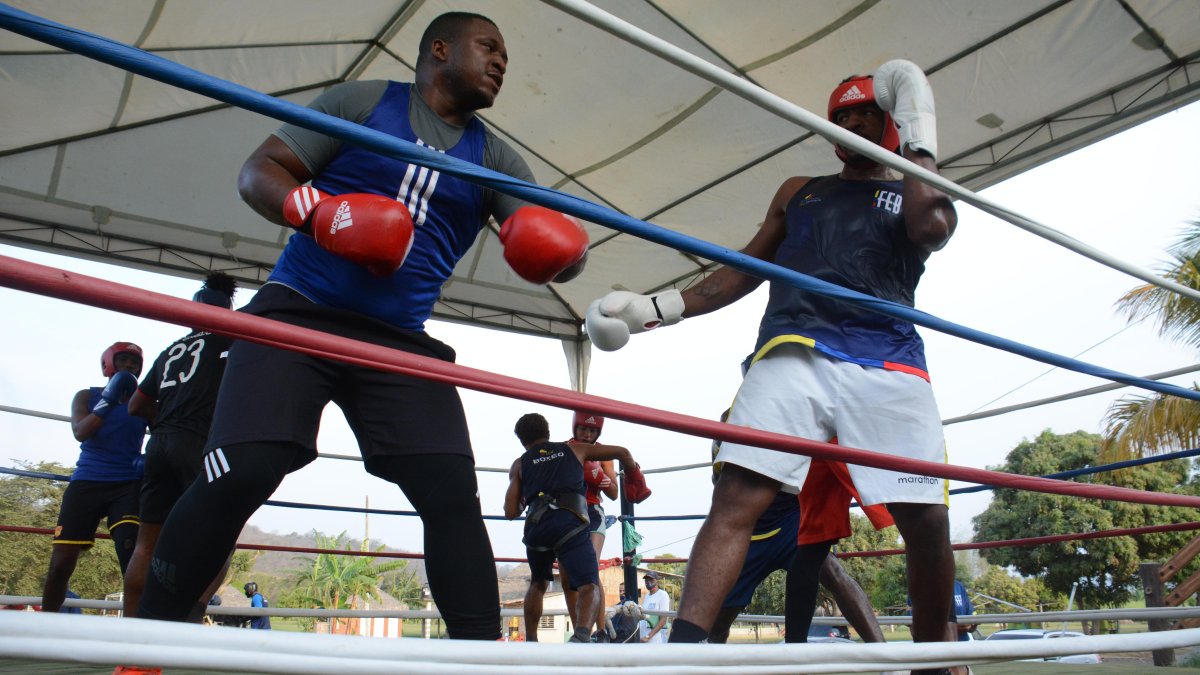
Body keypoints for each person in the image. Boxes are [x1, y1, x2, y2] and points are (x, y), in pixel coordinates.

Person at [137, 12, 590, 641]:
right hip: (298, 311)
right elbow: (258, 172)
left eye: (505, 56)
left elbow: (558, 254)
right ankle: (143, 646)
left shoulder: (496, 157)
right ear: (440, 49)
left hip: (399, 340)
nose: (501, 63)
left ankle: (480, 660)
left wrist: (562, 252)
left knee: (452, 497)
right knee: (241, 471)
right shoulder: (364, 101)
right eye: (489, 47)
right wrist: (321, 213)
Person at [585, 59, 958, 666]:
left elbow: (933, 227)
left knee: (927, 521)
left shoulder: (912, 188)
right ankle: (684, 656)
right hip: (794, 351)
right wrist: (658, 305)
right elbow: (744, 268)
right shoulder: (798, 190)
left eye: (868, 113)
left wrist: (919, 132)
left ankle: (935, 655)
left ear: (893, 125)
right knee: (736, 497)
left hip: (888, 361)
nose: (854, 124)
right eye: (843, 117)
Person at [122, 273, 238, 619]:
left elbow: (135, 407)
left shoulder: (171, 350)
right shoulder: (231, 339)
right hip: (200, 445)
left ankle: (128, 629)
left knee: (147, 543)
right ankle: (193, 616)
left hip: (157, 446)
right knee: (223, 534)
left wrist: (167, 418)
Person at [504, 412, 636, 643]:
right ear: (547, 431)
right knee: (588, 583)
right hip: (569, 524)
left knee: (538, 583)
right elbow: (623, 452)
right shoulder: (575, 450)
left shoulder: (519, 464)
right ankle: (583, 634)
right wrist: (634, 473)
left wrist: (529, 496)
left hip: (537, 527)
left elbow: (510, 511)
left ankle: (531, 641)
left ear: (522, 440)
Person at [42, 342, 147, 613]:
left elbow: (166, 427)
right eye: (123, 360)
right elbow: (80, 431)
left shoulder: (144, 400)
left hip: (127, 483)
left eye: (133, 362)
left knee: (130, 550)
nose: (129, 366)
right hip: (87, 481)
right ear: (108, 364)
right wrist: (108, 402)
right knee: (61, 564)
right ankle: (47, 624)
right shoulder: (86, 396)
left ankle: (135, 632)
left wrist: (154, 459)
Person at [560, 411, 620, 641]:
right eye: (584, 429)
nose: (587, 434)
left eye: (593, 430)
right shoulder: (564, 449)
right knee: (567, 579)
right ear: (575, 427)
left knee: (590, 569)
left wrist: (599, 476)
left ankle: (602, 630)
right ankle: (580, 632)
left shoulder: (604, 453)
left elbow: (614, 493)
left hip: (593, 512)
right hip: (567, 513)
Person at [638, 571, 671, 643]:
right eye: (646, 580)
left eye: (651, 580)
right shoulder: (647, 596)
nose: (648, 582)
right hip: (643, 638)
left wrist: (648, 636)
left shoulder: (662, 595)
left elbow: (663, 620)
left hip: (655, 639)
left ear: (657, 581)